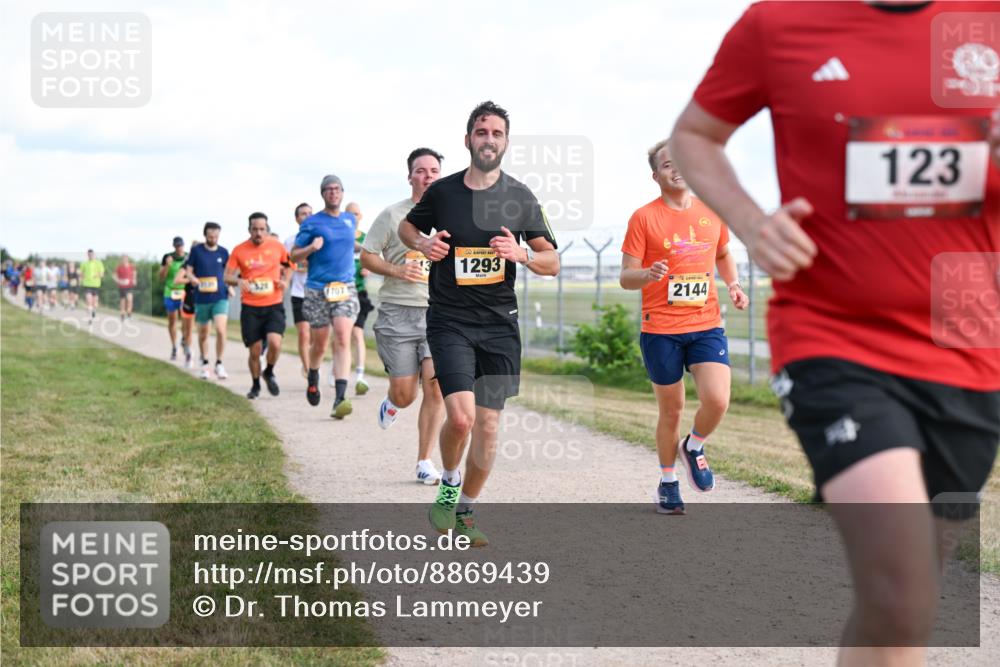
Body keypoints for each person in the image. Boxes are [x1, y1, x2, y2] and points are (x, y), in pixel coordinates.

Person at [669, 2, 1000, 662]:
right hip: (833, 336)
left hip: (969, 349)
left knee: (906, 603)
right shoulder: (779, 24)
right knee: (901, 590)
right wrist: (752, 222)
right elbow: (694, 136)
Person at [398, 101, 559, 545]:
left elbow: (552, 261)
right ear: (467, 139)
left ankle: (466, 508)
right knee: (463, 419)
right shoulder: (444, 193)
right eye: (482, 132)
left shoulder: (519, 196)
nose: (489, 139)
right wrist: (424, 244)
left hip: (499, 324)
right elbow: (407, 230)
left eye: (497, 133)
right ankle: (450, 481)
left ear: (506, 142)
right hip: (449, 319)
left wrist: (522, 254)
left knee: (489, 425)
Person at [620, 139, 748, 515]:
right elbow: (626, 277)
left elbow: (723, 253)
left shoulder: (711, 211)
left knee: (718, 399)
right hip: (660, 329)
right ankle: (668, 481)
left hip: (706, 323)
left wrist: (734, 285)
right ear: (655, 175)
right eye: (667, 164)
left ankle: (694, 445)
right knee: (671, 410)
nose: (676, 168)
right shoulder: (644, 218)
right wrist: (648, 273)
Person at [362, 147, 447, 484]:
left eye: (434, 171)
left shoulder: (451, 215)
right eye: (421, 171)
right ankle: (392, 403)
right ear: (410, 176)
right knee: (405, 393)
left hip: (438, 313)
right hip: (397, 314)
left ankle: (424, 461)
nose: (427, 176)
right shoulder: (392, 215)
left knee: (436, 388)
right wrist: (397, 270)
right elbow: (368, 257)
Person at [291, 175, 360, 419]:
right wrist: (311, 248)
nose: (333, 193)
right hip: (317, 289)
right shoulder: (311, 223)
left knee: (342, 336)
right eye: (328, 189)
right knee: (320, 342)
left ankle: (340, 397)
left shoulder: (350, 220)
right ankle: (313, 373)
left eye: (337, 189)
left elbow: (355, 246)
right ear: (322, 194)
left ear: (342, 192)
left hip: (345, 287)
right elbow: (294, 256)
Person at [226, 212, 292, 399]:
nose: (258, 233)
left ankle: (269, 371)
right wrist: (238, 281)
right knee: (254, 350)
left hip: (273, 304)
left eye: (262, 229)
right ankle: (255, 385)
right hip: (250, 307)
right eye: (255, 229)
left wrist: (285, 281)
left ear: (267, 230)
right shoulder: (239, 250)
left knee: (275, 343)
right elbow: (227, 276)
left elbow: (289, 265)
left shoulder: (277, 247)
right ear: (249, 230)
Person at [185, 222, 232, 380]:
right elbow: (188, 271)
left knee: (220, 329)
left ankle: (219, 363)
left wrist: (230, 286)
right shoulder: (196, 251)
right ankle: (205, 363)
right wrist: (193, 279)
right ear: (205, 235)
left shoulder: (224, 252)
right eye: (211, 236)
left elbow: (229, 273)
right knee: (203, 333)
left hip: (220, 296)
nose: (213, 239)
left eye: (216, 236)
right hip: (202, 298)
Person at [344, 201, 373, 395]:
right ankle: (338, 369)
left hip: (360, 292)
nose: (353, 217)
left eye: (356, 213)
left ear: (360, 216)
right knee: (341, 335)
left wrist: (368, 267)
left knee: (357, 333)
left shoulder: (366, 239)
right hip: (342, 292)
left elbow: (374, 257)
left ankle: (360, 375)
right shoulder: (340, 236)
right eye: (349, 214)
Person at [284, 203, 313, 378]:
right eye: (303, 214)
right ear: (297, 219)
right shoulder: (289, 241)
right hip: (298, 293)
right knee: (303, 333)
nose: (307, 216)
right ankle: (309, 371)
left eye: (310, 213)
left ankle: (310, 360)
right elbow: (285, 266)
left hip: (319, 293)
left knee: (318, 337)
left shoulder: (320, 239)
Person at [160, 237, 190, 362]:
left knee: (185, 319)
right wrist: (167, 265)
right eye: (177, 246)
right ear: (174, 246)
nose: (179, 248)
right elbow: (161, 277)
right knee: (172, 320)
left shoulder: (189, 257)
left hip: (184, 291)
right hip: (170, 291)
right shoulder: (168, 257)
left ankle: (184, 339)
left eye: (181, 245)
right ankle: (174, 347)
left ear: (183, 245)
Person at [79, 249, 105, 320]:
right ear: (87, 255)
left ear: (94, 254)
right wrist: (80, 279)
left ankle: (93, 311)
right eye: (89, 254)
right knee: (88, 299)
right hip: (87, 284)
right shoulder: (84, 263)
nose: (90, 256)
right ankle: (89, 315)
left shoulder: (98, 263)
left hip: (96, 285)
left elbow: (102, 274)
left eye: (92, 254)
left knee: (95, 302)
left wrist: (97, 275)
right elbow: (81, 273)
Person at [115, 255, 137, 320]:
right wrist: (119, 281)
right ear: (122, 260)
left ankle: (129, 313)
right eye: (123, 259)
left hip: (129, 286)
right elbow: (114, 276)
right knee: (123, 301)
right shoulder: (119, 267)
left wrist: (134, 279)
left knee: (130, 300)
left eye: (126, 259)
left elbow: (134, 273)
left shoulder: (131, 266)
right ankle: (122, 314)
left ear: (128, 259)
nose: (124, 260)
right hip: (122, 286)